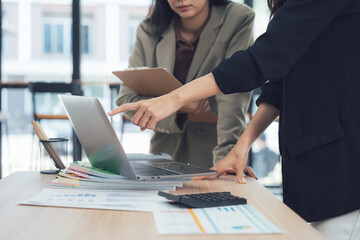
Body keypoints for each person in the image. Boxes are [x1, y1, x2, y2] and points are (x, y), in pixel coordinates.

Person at [109, 0, 360, 238]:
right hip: (322, 172)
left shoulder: (239, 18)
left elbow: (261, 60)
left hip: (345, 165)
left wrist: (174, 99)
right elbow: (280, 82)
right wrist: (242, 146)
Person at [117, 0, 254, 168]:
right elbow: (126, 100)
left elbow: (234, 94)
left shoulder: (237, 17)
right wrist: (181, 105)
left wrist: (227, 155)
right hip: (162, 154)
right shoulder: (149, 29)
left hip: (213, 152)